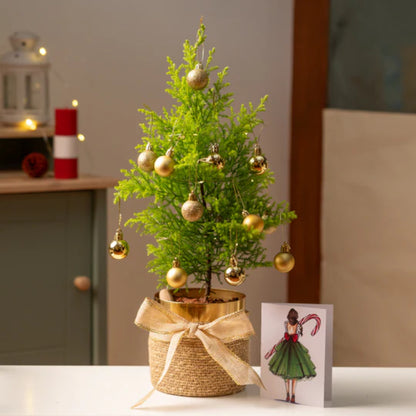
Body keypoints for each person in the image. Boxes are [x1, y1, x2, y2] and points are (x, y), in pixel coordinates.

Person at [264, 308, 318, 403]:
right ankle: (288, 394)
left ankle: (293, 394)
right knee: (285, 371)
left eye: (292, 318)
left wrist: (295, 334)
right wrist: (288, 335)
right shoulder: (286, 323)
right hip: (285, 347)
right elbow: (287, 333)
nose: (290, 320)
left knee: (294, 373)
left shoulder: (298, 325)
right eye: (289, 318)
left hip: (295, 348)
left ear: (295, 318)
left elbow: (298, 336)